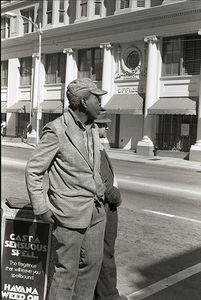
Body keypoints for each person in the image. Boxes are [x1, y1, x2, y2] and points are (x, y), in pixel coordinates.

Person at [25, 78, 108, 300]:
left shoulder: (93, 128)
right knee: (65, 273)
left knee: (92, 266)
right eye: (96, 98)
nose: (101, 103)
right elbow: (33, 171)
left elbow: (92, 167)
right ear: (82, 101)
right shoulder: (56, 131)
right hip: (69, 214)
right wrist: (41, 208)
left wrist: (101, 188)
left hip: (96, 212)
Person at [94, 109, 127, 300]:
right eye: (103, 124)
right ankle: (108, 295)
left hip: (105, 207)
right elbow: (105, 184)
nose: (107, 127)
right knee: (106, 254)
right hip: (106, 208)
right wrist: (117, 198)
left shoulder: (98, 144)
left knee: (102, 253)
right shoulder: (94, 147)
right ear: (94, 126)